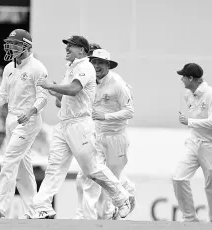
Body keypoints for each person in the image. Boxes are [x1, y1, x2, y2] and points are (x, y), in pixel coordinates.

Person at [31, 35, 131, 219]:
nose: (67, 48)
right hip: (64, 124)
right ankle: (42, 206)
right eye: (67, 46)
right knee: (54, 167)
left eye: (72, 46)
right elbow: (63, 97)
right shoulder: (71, 68)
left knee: (91, 169)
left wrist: (52, 86)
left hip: (79, 125)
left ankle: (121, 197)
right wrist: (48, 87)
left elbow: (74, 89)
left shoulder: (85, 67)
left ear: (83, 51)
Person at [0, 29, 48, 219]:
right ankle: (36, 210)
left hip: (29, 120)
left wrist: (30, 112)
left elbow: (43, 98)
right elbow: (3, 96)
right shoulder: (9, 68)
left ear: (27, 46)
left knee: (8, 161)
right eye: (11, 43)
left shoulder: (38, 68)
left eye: (16, 44)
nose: (12, 47)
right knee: (23, 167)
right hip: (11, 119)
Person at [74, 48, 136, 220]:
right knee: (93, 173)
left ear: (108, 65)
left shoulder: (117, 84)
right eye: (93, 62)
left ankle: (127, 191)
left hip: (117, 137)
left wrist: (105, 116)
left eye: (100, 62)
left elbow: (130, 111)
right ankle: (107, 211)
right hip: (98, 135)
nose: (96, 66)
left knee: (112, 178)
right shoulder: (90, 82)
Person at [173, 63, 212, 222]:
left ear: (191, 78)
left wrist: (190, 122)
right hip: (194, 142)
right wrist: (191, 124)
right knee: (179, 177)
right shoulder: (187, 94)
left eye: (184, 76)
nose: (181, 79)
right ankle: (190, 219)